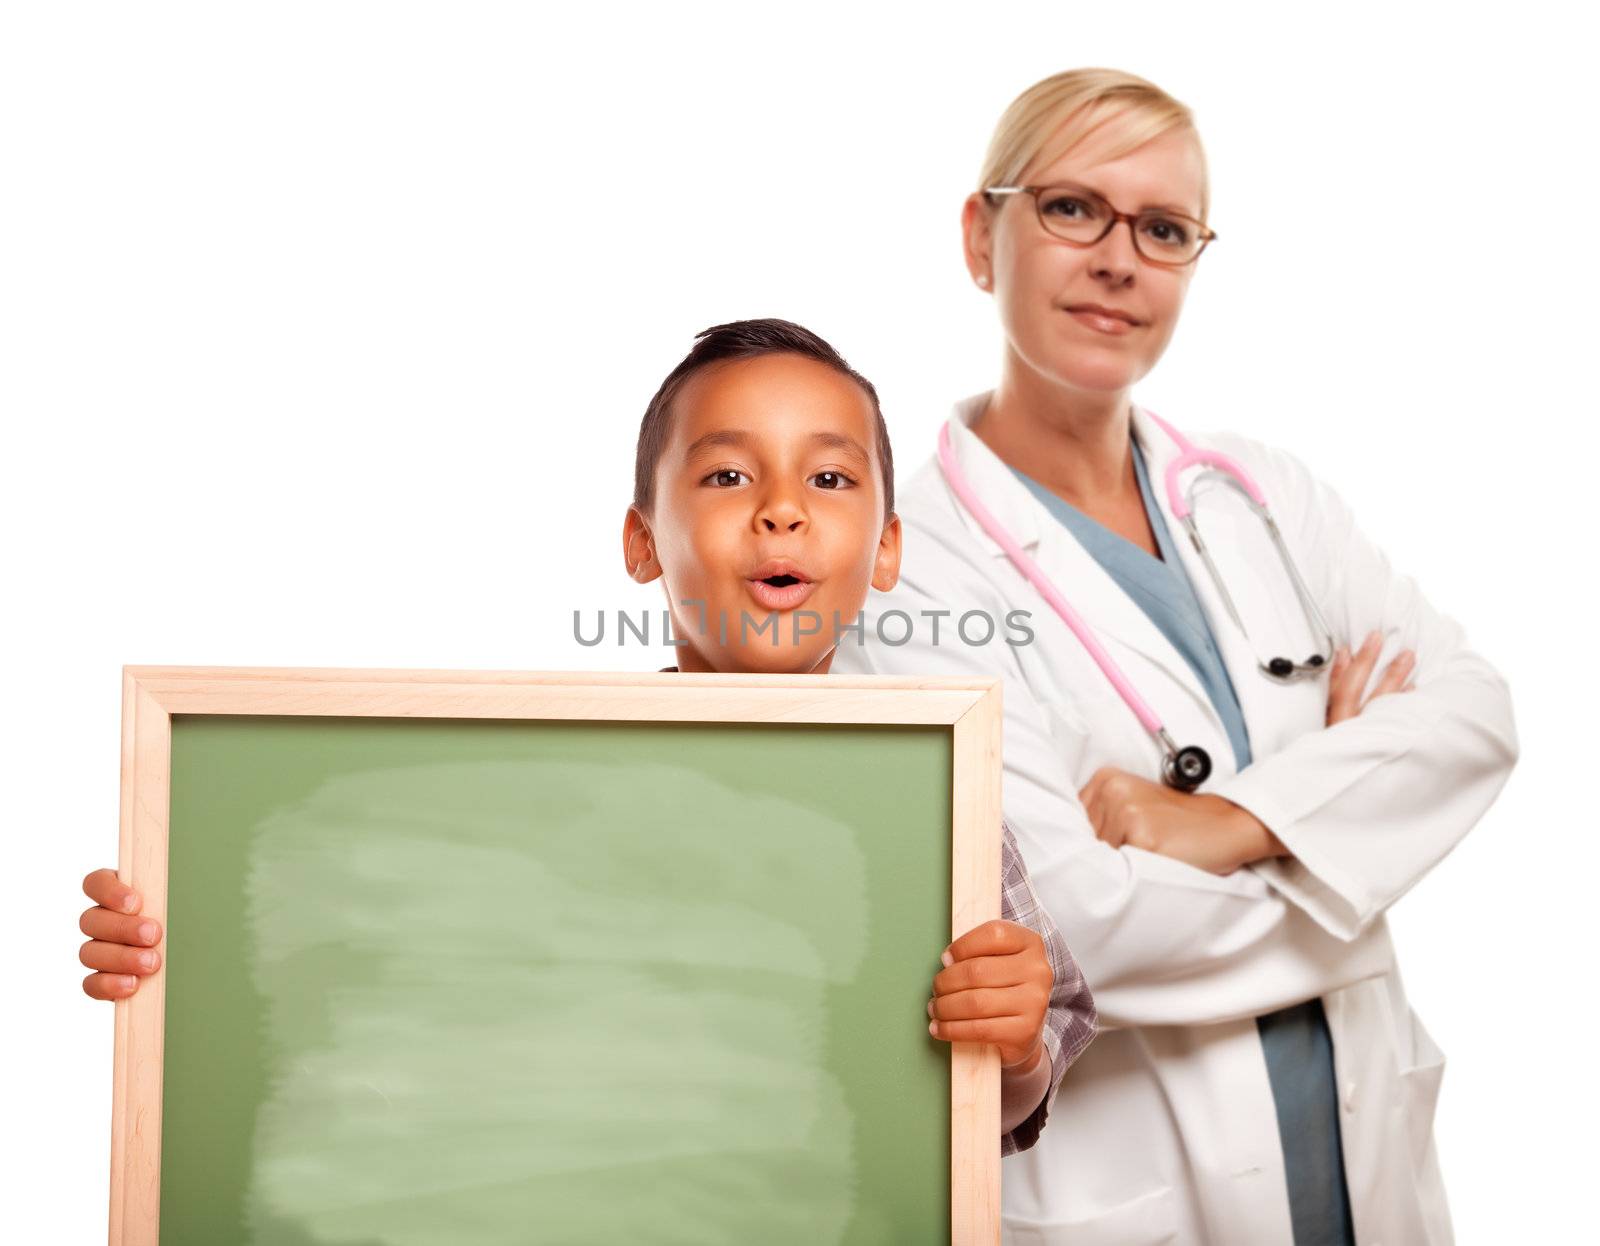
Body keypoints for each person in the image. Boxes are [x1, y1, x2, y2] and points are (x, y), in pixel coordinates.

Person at [80, 316, 1099, 1156]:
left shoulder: (942, 799)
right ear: (642, 540)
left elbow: (1006, 1100)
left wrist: (1013, 1051)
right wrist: (178, 949)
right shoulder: (527, 789)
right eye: (727, 478)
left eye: (828, 481)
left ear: (885, 550)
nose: (782, 512)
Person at [830, 69, 1519, 1243]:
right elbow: (1081, 930)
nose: (1118, 259)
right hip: (1136, 1194)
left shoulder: (1261, 495)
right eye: (1070, 208)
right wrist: (1360, 847)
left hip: (1366, 1167)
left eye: (1162, 228)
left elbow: (1476, 718)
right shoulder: (905, 566)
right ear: (977, 237)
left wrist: (1233, 823)